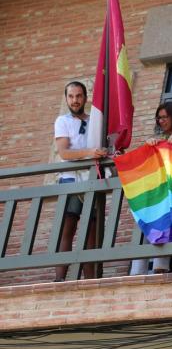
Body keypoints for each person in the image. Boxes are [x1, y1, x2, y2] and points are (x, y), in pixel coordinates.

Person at [130, 101, 172, 275]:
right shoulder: (155, 140)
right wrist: (147, 145)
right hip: (153, 193)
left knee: (166, 229)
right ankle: (137, 273)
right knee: (145, 227)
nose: (161, 121)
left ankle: (160, 269)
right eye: (159, 118)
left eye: (165, 117)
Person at [54, 81, 107, 281]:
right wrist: (90, 153)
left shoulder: (96, 121)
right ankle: (59, 279)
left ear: (85, 97)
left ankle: (90, 279)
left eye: (78, 96)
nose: (75, 100)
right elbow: (64, 153)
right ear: (66, 98)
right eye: (71, 96)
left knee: (91, 228)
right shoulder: (62, 121)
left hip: (91, 178)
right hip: (70, 179)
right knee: (69, 225)